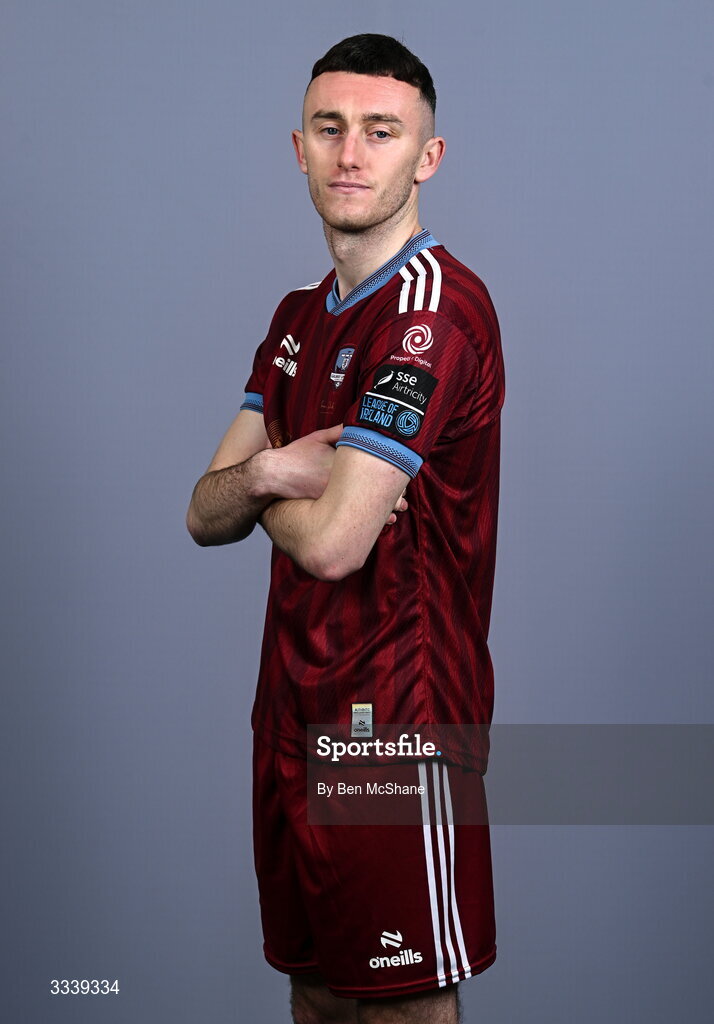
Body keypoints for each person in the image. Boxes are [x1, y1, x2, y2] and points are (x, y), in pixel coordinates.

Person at [187, 33, 505, 1024]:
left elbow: (334, 544)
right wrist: (282, 470)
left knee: (400, 1008)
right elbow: (201, 512)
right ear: (299, 148)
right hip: (287, 718)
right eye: (330, 129)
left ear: (428, 155)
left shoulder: (435, 313)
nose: (352, 154)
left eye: (382, 130)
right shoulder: (295, 317)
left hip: (393, 734)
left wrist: (252, 485)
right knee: (317, 995)